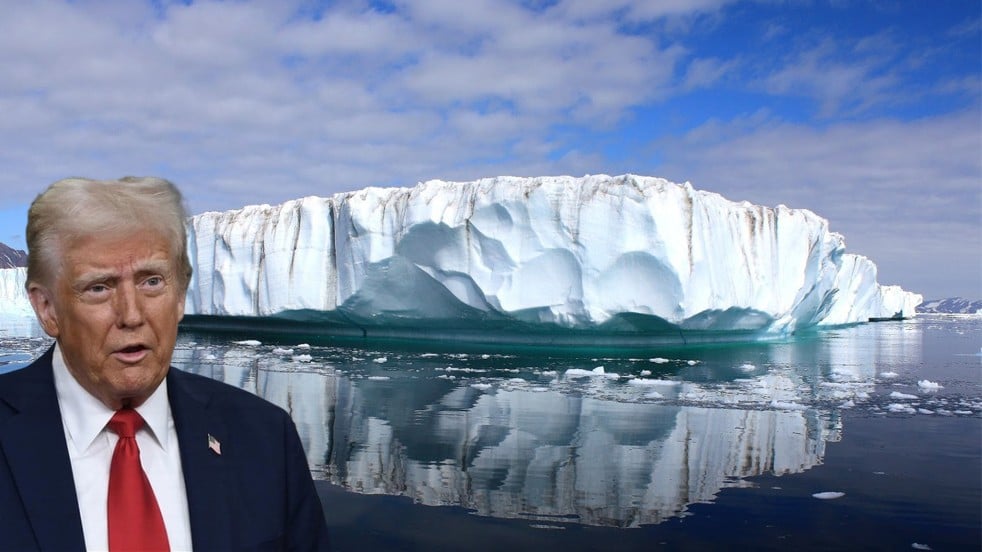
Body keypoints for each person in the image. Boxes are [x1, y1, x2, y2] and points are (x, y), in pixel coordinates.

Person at [0, 177, 330, 550]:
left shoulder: (266, 438)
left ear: (179, 297)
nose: (131, 315)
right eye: (99, 287)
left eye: (152, 281)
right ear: (47, 309)